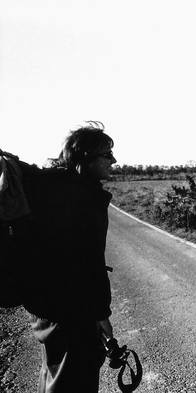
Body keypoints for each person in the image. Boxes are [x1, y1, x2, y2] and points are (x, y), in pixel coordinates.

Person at [22, 121, 118, 393]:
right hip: (72, 312)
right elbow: (87, 263)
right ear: (87, 159)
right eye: (107, 154)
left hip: (48, 309)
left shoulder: (56, 189)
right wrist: (100, 314)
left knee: (54, 376)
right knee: (74, 381)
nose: (114, 160)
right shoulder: (81, 198)